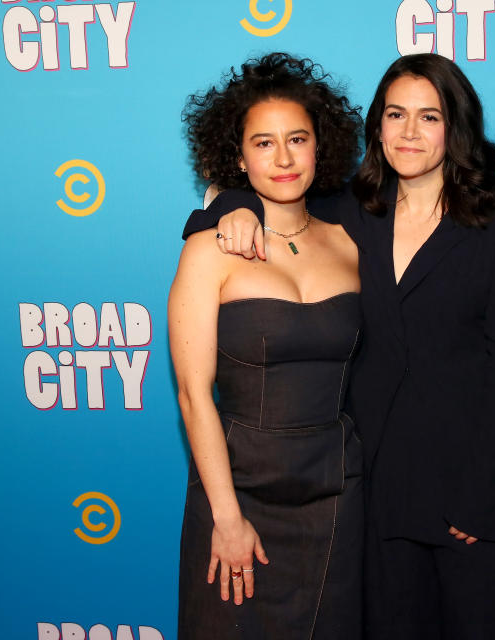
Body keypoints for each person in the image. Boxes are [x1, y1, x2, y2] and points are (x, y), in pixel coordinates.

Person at [184, 53, 495, 640]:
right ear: (377, 125)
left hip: (472, 500)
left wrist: (480, 499)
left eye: (430, 116)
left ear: (457, 126)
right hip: (376, 497)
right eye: (396, 114)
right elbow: (265, 191)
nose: (410, 132)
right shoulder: (352, 213)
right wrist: (232, 207)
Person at [169, 52, 365, 640]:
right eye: (263, 143)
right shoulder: (210, 250)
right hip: (238, 490)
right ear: (237, 156)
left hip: (338, 493)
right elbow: (192, 395)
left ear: (319, 146)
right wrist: (226, 518)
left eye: (297, 139)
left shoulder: (354, 242)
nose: (283, 158)